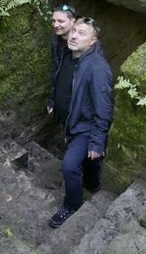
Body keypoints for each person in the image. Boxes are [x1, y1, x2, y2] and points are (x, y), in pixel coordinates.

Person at [49, 16, 114, 229]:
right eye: (74, 30)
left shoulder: (98, 69)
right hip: (71, 121)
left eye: (82, 33)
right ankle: (92, 182)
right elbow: (59, 80)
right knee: (86, 160)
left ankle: (72, 205)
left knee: (69, 167)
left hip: (85, 126)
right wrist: (53, 99)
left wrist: (97, 142)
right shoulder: (68, 53)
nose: (74, 35)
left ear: (93, 41)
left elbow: (104, 108)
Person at [48, 3, 76, 117]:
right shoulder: (55, 39)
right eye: (53, 21)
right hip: (61, 96)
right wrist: (52, 99)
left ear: (73, 21)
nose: (56, 24)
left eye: (61, 21)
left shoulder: (80, 44)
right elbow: (56, 70)